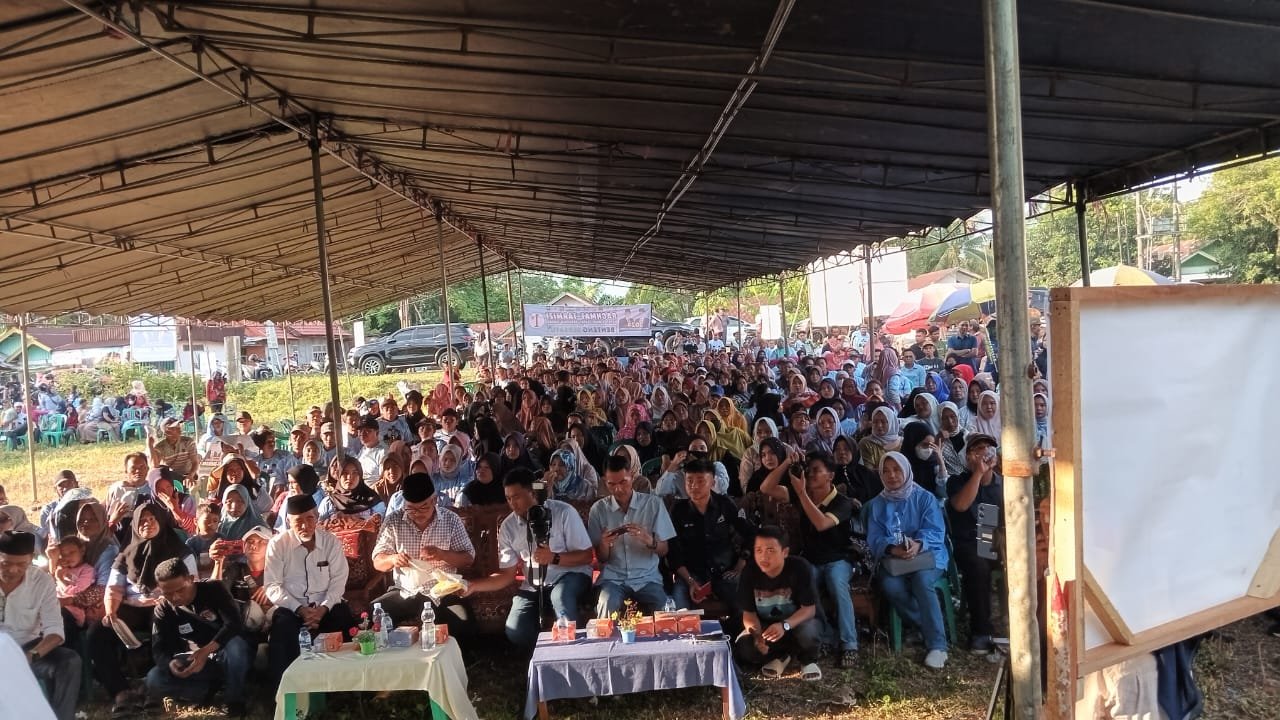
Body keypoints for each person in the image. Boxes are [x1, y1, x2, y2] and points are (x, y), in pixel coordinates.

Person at [461, 468, 594, 651]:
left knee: (560, 597)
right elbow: (507, 575)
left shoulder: (563, 512)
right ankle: (546, 655)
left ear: (532, 492)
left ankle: (576, 652)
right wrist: (474, 586)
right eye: (508, 498)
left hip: (570, 575)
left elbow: (586, 556)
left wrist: (554, 558)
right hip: (534, 584)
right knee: (516, 630)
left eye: (516, 497)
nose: (511, 503)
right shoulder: (508, 526)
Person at [758, 451, 860, 667]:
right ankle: (824, 637)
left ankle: (849, 645)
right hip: (811, 560)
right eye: (808, 470)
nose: (810, 475)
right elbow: (766, 488)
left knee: (836, 583)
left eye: (816, 471)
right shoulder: (801, 494)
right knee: (807, 584)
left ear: (830, 475)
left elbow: (821, 524)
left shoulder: (842, 502)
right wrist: (787, 461)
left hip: (839, 559)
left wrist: (802, 493)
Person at [94, 502, 196, 714]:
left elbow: (189, 587)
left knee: (164, 624)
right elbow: (113, 588)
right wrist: (112, 612)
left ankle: (154, 689)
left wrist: (165, 599)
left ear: (161, 521)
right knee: (98, 632)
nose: (147, 524)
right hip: (131, 605)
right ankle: (121, 691)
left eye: (152, 519)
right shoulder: (126, 553)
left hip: (167, 605)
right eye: (142, 520)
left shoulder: (180, 551)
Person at [866, 452, 950, 669]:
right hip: (896, 559)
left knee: (922, 580)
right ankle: (925, 624)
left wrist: (918, 545)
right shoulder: (878, 504)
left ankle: (937, 645)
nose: (891, 475)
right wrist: (893, 548)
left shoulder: (924, 498)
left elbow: (935, 530)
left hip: (928, 555)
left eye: (896, 469)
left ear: (906, 470)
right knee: (889, 584)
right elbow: (874, 538)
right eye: (886, 470)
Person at [264, 494, 355, 689]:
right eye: (298, 521)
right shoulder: (278, 544)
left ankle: (345, 687)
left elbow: (338, 582)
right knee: (283, 629)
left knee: (343, 617)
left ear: (317, 516)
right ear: (288, 521)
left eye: (309, 518)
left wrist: (323, 608)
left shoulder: (330, 542)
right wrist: (299, 609)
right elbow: (272, 586)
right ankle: (284, 692)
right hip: (292, 607)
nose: (305, 526)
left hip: (326, 606)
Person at [370, 473, 476, 639]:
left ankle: (447, 663)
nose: (417, 513)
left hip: (442, 590)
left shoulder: (451, 520)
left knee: (462, 622)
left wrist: (442, 555)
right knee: (373, 614)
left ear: (434, 500)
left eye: (423, 508)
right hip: (405, 590)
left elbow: (468, 559)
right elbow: (378, 560)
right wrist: (392, 559)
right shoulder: (393, 521)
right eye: (411, 508)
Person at [146, 557, 251, 717]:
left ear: (191, 579)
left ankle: (234, 700)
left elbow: (234, 625)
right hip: (196, 662)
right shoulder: (163, 610)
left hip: (227, 654)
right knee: (154, 679)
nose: (175, 597)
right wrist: (171, 663)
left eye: (180, 590)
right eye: (167, 593)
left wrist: (206, 651)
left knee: (236, 646)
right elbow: (158, 649)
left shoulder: (214, 588)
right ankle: (207, 689)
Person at [0, 531, 81, 720]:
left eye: (21, 564)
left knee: (69, 661)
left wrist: (30, 656)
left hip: (29, 649)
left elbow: (55, 631)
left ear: (31, 561)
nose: (13, 570)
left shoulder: (42, 581)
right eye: (5, 564)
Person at [588, 455, 676, 616]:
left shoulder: (653, 504)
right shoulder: (598, 510)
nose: (618, 489)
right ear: (604, 481)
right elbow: (601, 558)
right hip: (613, 579)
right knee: (606, 603)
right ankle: (605, 641)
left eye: (623, 482)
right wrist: (604, 544)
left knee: (663, 607)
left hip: (647, 578)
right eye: (611, 484)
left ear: (633, 476)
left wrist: (649, 540)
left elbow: (664, 550)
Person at [733, 526, 822, 682]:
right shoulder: (749, 572)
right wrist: (757, 636)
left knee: (809, 631)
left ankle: (808, 659)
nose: (763, 557)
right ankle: (783, 655)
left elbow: (809, 610)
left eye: (770, 550)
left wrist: (784, 625)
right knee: (745, 647)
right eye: (758, 550)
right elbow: (749, 615)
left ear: (785, 552)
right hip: (767, 627)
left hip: (796, 623)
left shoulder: (800, 568)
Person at [668, 458, 751, 617]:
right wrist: (690, 580)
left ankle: (737, 640)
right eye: (689, 481)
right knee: (680, 613)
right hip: (691, 574)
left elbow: (749, 534)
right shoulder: (678, 510)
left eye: (700, 481)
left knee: (743, 610)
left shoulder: (725, 504)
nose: (694, 486)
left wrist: (740, 566)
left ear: (712, 482)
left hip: (724, 571)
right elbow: (674, 552)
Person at [946, 433, 1003, 653]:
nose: (984, 454)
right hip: (968, 543)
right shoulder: (956, 481)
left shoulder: (1004, 484)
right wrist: (978, 474)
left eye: (988, 449)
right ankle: (980, 631)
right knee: (979, 565)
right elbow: (960, 505)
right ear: (969, 457)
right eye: (978, 450)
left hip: (995, 541)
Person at [317, 456, 386, 521]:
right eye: (345, 473)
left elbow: (381, 527)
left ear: (360, 476)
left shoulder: (374, 501)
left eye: (355, 473)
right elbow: (319, 528)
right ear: (339, 476)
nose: (349, 477)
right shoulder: (329, 502)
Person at [54, 535, 96, 627]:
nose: (68, 557)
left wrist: (60, 579)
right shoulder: (63, 568)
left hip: (73, 612)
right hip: (55, 604)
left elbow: (77, 592)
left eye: (72, 552)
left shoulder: (87, 570)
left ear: (82, 551)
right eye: (64, 555)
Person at [148, 418, 199, 484]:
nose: (179, 429)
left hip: (189, 475)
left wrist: (190, 475)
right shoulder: (160, 447)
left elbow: (195, 462)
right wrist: (150, 446)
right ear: (167, 431)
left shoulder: (188, 442)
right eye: (174, 428)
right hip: (172, 478)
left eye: (179, 426)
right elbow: (154, 466)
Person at [354, 415, 387, 483]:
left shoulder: (383, 452)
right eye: (360, 431)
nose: (362, 434)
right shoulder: (363, 449)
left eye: (367, 431)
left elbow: (383, 480)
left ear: (377, 433)